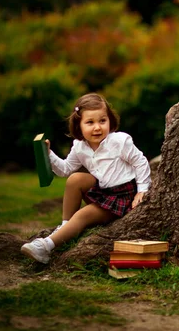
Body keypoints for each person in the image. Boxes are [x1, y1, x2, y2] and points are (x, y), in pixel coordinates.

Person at [21, 93, 151, 264]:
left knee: (82, 215)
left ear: (109, 121)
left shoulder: (119, 141)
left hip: (122, 197)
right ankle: (65, 225)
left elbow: (140, 162)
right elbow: (65, 170)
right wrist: (49, 154)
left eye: (102, 121)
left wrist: (141, 190)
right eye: (90, 122)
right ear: (79, 125)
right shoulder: (80, 146)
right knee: (75, 179)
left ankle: (45, 247)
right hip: (103, 191)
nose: (97, 127)